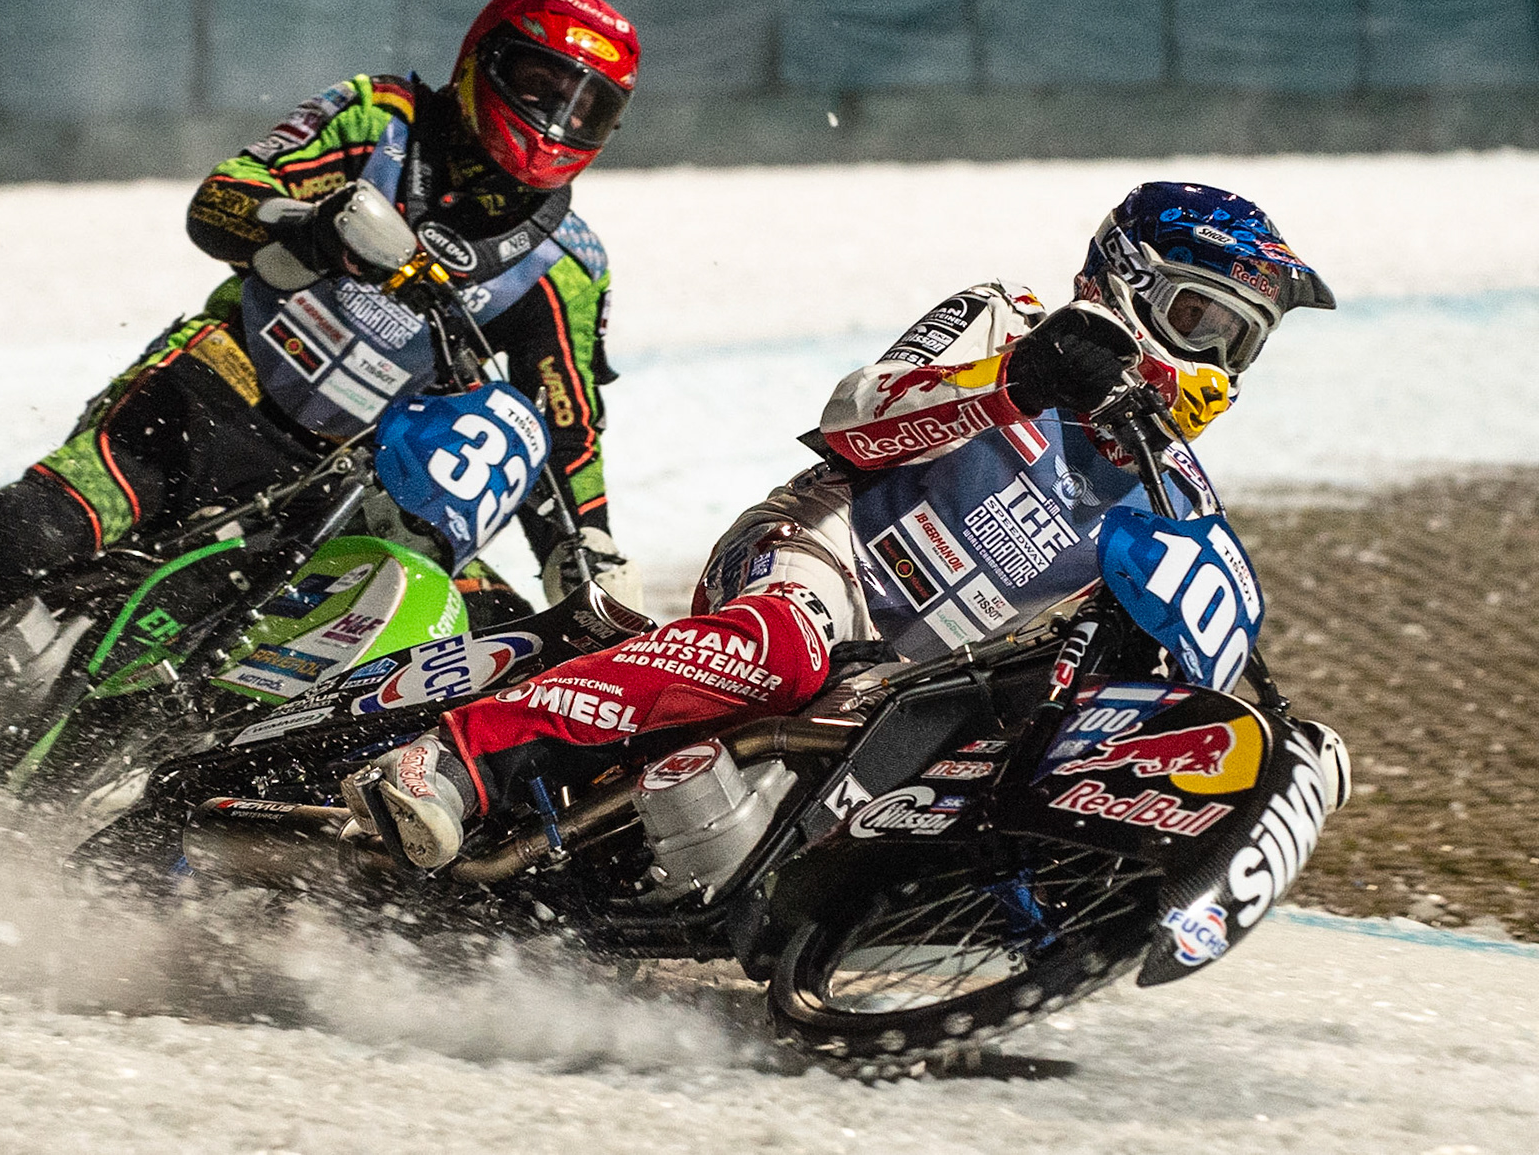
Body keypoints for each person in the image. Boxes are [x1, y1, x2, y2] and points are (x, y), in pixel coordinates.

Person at [0, 0, 643, 742]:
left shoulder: (570, 267)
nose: (556, 120)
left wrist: (584, 553)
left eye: (586, 105)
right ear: (479, 60)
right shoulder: (376, 119)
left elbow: (565, 431)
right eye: (540, 83)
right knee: (42, 527)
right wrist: (312, 227)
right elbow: (221, 202)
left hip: (349, 486)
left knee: (484, 643)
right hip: (211, 391)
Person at [346, 181, 1343, 869]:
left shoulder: (1175, 493)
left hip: (910, 685)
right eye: (1200, 319)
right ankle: (452, 757)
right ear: (1127, 279)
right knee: (781, 646)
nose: (1216, 361)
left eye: (1240, 343)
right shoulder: (1012, 316)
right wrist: (1020, 380)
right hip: (820, 558)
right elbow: (857, 417)